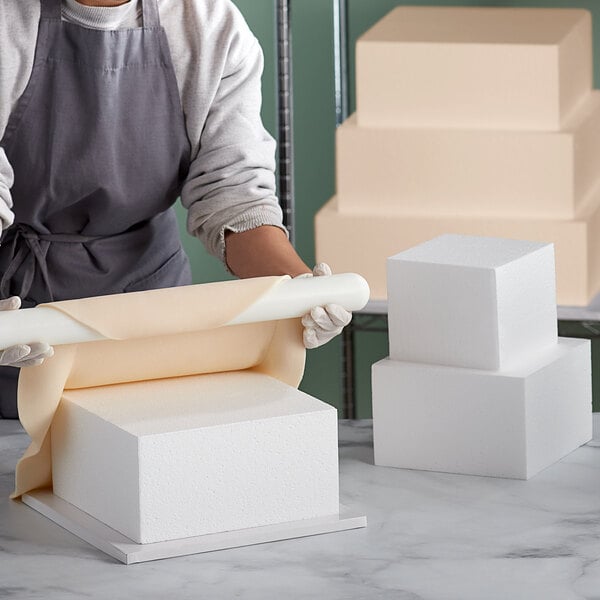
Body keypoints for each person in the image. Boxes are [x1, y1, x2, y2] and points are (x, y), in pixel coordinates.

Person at [0, 0, 351, 419]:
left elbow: (234, 197)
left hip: (148, 319)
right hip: (16, 319)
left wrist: (299, 290)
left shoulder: (209, 27)